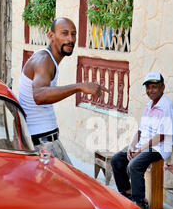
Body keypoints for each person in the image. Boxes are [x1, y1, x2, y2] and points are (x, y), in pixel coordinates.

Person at [18, 17, 107, 164]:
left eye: (73, 34)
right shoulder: (43, 60)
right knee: (68, 185)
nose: (70, 39)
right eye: (64, 33)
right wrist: (79, 86)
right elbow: (39, 96)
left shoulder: (49, 59)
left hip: (44, 139)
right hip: (41, 143)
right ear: (51, 35)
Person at [111, 71, 173, 209]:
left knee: (134, 165)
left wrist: (140, 150)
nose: (150, 91)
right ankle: (127, 192)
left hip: (159, 147)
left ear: (162, 88)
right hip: (144, 145)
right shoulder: (149, 106)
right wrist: (131, 146)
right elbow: (140, 131)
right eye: (148, 87)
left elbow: (162, 136)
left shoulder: (167, 107)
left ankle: (140, 201)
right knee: (117, 159)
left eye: (154, 87)